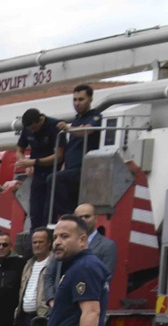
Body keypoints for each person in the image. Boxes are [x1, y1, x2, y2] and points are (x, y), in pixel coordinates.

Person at [53, 86, 104, 224]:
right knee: (52, 183)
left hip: (85, 169)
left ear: (90, 99)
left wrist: (69, 128)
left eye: (81, 99)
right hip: (71, 168)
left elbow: (86, 131)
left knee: (54, 179)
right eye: (75, 99)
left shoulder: (96, 117)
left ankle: (71, 217)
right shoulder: (76, 120)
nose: (77, 103)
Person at [15, 228, 55, 326]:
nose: (37, 245)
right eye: (34, 242)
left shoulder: (54, 264)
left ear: (49, 243)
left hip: (43, 318)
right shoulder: (29, 264)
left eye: (41, 242)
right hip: (26, 318)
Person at [16, 108, 59, 228]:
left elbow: (58, 156)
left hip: (53, 172)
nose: (32, 131)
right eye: (30, 129)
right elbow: (19, 150)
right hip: (37, 174)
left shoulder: (53, 126)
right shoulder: (28, 129)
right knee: (34, 212)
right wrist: (24, 162)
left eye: (34, 128)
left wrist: (34, 162)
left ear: (41, 120)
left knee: (49, 212)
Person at [71, 204, 119, 272]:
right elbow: (51, 273)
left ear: (96, 218)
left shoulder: (108, 246)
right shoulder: (68, 242)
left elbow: (106, 276)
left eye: (87, 216)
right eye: (80, 217)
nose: (83, 220)